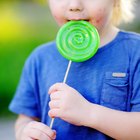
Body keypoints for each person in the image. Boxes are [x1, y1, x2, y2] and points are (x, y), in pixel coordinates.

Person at [9, 0, 140, 139]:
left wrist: (88, 113)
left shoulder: (135, 52)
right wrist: (25, 132)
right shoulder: (40, 58)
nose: (74, 6)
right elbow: (25, 118)